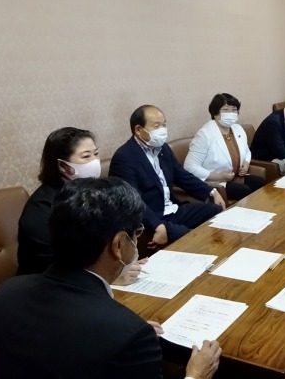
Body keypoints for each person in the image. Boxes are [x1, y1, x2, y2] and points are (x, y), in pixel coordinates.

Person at [0, 178, 222, 379]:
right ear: (119, 245)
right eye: (136, 233)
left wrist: (124, 332)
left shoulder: (6, 292)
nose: (136, 241)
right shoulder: (130, 336)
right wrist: (196, 375)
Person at [16, 127, 144, 284]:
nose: (94, 162)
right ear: (63, 166)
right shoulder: (41, 209)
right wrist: (110, 276)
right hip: (47, 287)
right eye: (86, 156)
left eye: (96, 154)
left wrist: (124, 261)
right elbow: (55, 267)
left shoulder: (91, 195)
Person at [109, 105, 225, 249]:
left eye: (164, 125)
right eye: (156, 126)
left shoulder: (163, 148)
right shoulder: (125, 157)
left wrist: (211, 191)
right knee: (192, 238)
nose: (162, 130)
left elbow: (181, 175)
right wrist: (157, 225)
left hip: (173, 210)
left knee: (215, 212)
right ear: (139, 130)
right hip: (153, 218)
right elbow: (133, 200)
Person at [184, 93, 264, 201]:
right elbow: (189, 167)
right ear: (215, 113)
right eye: (226, 110)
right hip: (216, 182)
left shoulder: (238, 129)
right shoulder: (205, 134)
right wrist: (219, 176)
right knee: (244, 191)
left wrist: (246, 164)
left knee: (260, 183)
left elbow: (247, 152)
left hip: (236, 177)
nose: (230, 113)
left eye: (234, 110)